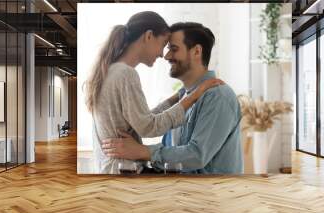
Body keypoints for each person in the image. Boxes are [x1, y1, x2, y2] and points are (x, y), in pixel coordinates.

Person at [84, 12, 223, 174]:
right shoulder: (126, 74)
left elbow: (141, 119)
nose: (162, 54)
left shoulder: (111, 70)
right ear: (149, 36)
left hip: (114, 169)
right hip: (125, 171)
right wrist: (191, 98)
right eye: (164, 44)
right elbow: (148, 127)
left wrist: (176, 98)